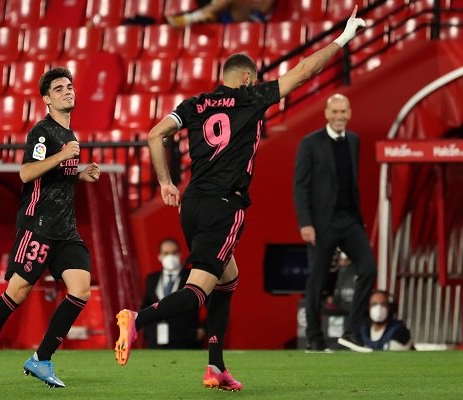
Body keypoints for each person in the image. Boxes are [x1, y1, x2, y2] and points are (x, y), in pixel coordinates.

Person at [115, 8, 366, 392]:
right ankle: (137, 319)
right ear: (247, 79)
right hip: (225, 205)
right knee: (197, 290)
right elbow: (304, 72)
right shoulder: (250, 98)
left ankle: (215, 367)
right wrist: (344, 38)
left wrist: (166, 182)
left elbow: (154, 134)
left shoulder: (195, 105)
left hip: (193, 203)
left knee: (227, 280)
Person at [0, 67, 101, 389]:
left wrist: (80, 173)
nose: (68, 91)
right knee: (17, 293)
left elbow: (56, 176)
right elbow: (26, 173)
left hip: (66, 229)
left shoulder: (69, 135)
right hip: (37, 225)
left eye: (70, 86)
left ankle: (41, 359)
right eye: (60, 88)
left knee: (80, 289)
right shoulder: (43, 132)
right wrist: (65, 156)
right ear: (46, 99)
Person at [293, 93, 377, 353]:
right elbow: (300, 186)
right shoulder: (310, 143)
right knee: (317, 282)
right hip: (321, 224)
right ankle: (314, 339)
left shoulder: (354, 140)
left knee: (368, 269)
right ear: (327, 114)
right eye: (335, 112)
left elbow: (351, 183)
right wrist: (306, 223)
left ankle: (351, 333)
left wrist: (358, 220)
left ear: (349, 113)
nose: (340, 116)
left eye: (344, 111)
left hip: (350, 220)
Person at [141, 238, 205, 349]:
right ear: (159, 256)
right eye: (166, 253)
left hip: (186, 341)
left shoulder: (193, 276)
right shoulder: (152, 279)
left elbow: (213, 305)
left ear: (180, 254)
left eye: (173, 253)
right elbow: (145, 306)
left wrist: (204, 330)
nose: (170, 257)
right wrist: (148, 330)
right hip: (157, 341)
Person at [166, 0, 277, 28]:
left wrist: (246, 4)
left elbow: (262, 9)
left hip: (254, 19)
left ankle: (195, 17)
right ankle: (207, 14)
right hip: (229, 14)